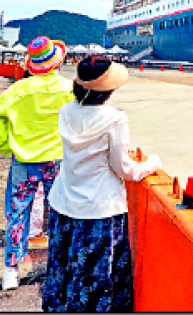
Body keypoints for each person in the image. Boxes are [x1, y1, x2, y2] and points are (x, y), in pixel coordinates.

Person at [42, 55, 162, 312]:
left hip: (63, 203)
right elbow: (124, 168)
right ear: (108, 89)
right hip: (98, 209)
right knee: (95, 279)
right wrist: (151, 164)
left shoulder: (66, 111)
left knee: (62, 267)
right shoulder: (115, 119)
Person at [0, 36, 74, 291]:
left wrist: (5, 145)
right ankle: (59, 268)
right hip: (56, 160)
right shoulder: (68, 89)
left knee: (18, 213)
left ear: (32, 65)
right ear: (57, 62)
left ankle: (11, 271)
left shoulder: (17, 90)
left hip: (24, 161)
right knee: (59, 213)